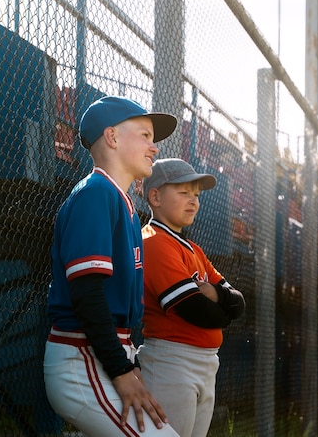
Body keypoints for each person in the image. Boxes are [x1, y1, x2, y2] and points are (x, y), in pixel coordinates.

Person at [44, 95, 181, 436]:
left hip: (104, 354)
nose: (154, 147)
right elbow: (87, 293)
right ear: (113, 137)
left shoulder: (125, 204)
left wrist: (128, 363)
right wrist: (120, 370)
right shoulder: (96, 193)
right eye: (145, 135)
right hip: (82, 358)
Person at [138, 158, 246, 437]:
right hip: (171, 362)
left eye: (196, 194)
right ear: (155, 196)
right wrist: (222, 306)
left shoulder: (193, 249)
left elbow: (239, 302)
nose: (193, 201)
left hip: (205, 363)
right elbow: (197, 311)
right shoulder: (154, 242)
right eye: (183, 192)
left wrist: (217, 297)